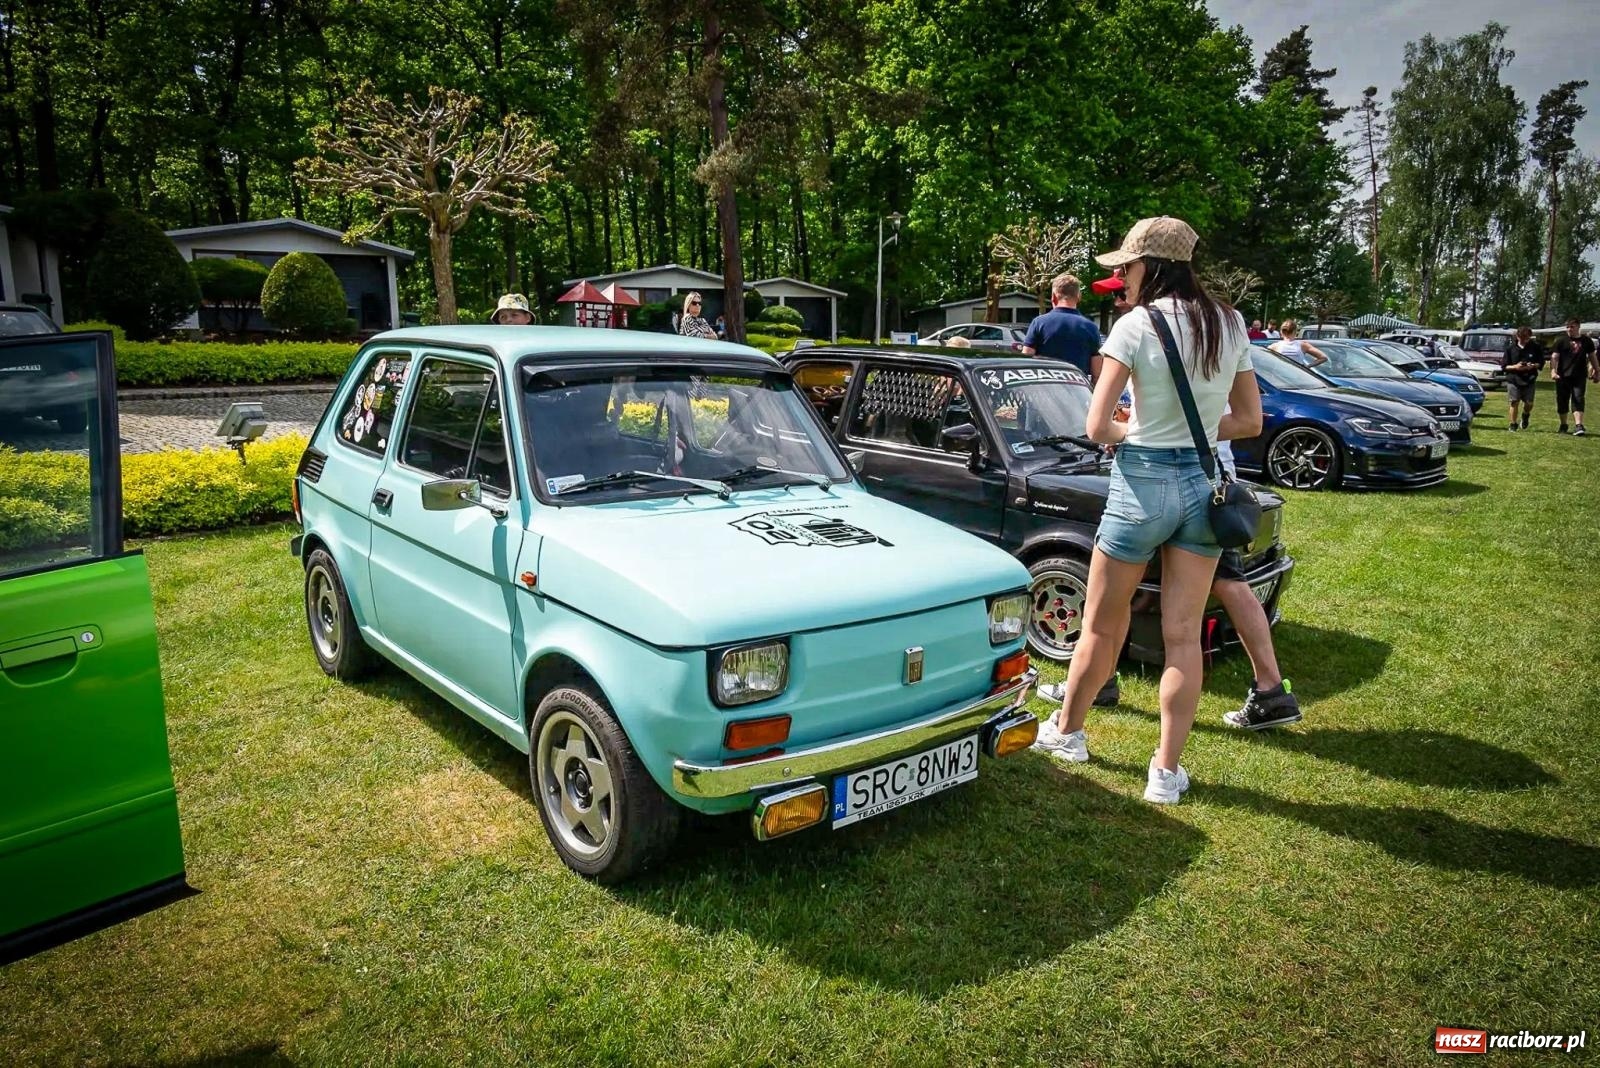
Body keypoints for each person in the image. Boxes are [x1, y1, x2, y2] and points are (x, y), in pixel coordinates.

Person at [1031, 216, 1262, 804]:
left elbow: (1096, 424)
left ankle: (1068, 731)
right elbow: (1249, 421)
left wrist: (1133, 429)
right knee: (1183, 637)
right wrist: (1197, 427)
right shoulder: (1228, 322)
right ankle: (1164, 772)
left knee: (1102, 625)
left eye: (1127, 267)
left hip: (1142, 483)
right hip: (1202, 484)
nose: (1123, 278)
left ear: (1150, 267)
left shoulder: (1134, 326)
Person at [1022, 273, 1103, 376]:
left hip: (1045, 387)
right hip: (1078, 388)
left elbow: (1026, 360)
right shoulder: (1091, 328)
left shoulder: (1039, 323)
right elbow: (1097, 373)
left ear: (1053, 297)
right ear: (1079, 297)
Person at [1549, 318, 1596, 436]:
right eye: (1567, 327)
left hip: (1579, 375)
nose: (1569, 329)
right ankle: (1563, 424)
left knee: (1578, 398)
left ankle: (1579, 425)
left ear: (1578, 327)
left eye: (1572, 326)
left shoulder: (1586, 341)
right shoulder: (1561, 341)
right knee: (1562, 400)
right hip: (1562, 376)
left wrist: (1597, 370)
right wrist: (1553, 371)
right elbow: (1554, 357)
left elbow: (1592, 356)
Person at [1504, 327, 1544, 431]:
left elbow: (1541, 362)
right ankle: (1513, 424)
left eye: (1527, 338)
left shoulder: (1535, 347)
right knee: (1514, 401)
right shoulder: (1510, 349)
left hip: (1529, 378)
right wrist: (1515, 367)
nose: (1524, 340)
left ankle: (1525, 415)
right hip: (1513, 378)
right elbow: (1504, 366)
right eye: (1522, 338)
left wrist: (1533, 366)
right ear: (1517, 336)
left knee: (1529, 403)